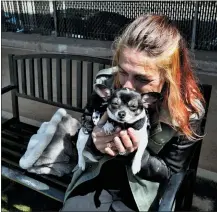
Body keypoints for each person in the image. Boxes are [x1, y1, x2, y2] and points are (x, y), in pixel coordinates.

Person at [61, 14, 205, 211]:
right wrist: (94, 144)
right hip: (96, 176)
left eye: (142, 79)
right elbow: (85, 125)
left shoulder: (187, 111)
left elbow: (171, 173)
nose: (127, 86)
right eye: (122, 71)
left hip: (141, 193)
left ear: (169, 76)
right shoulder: (106, 85)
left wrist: (135, 154)